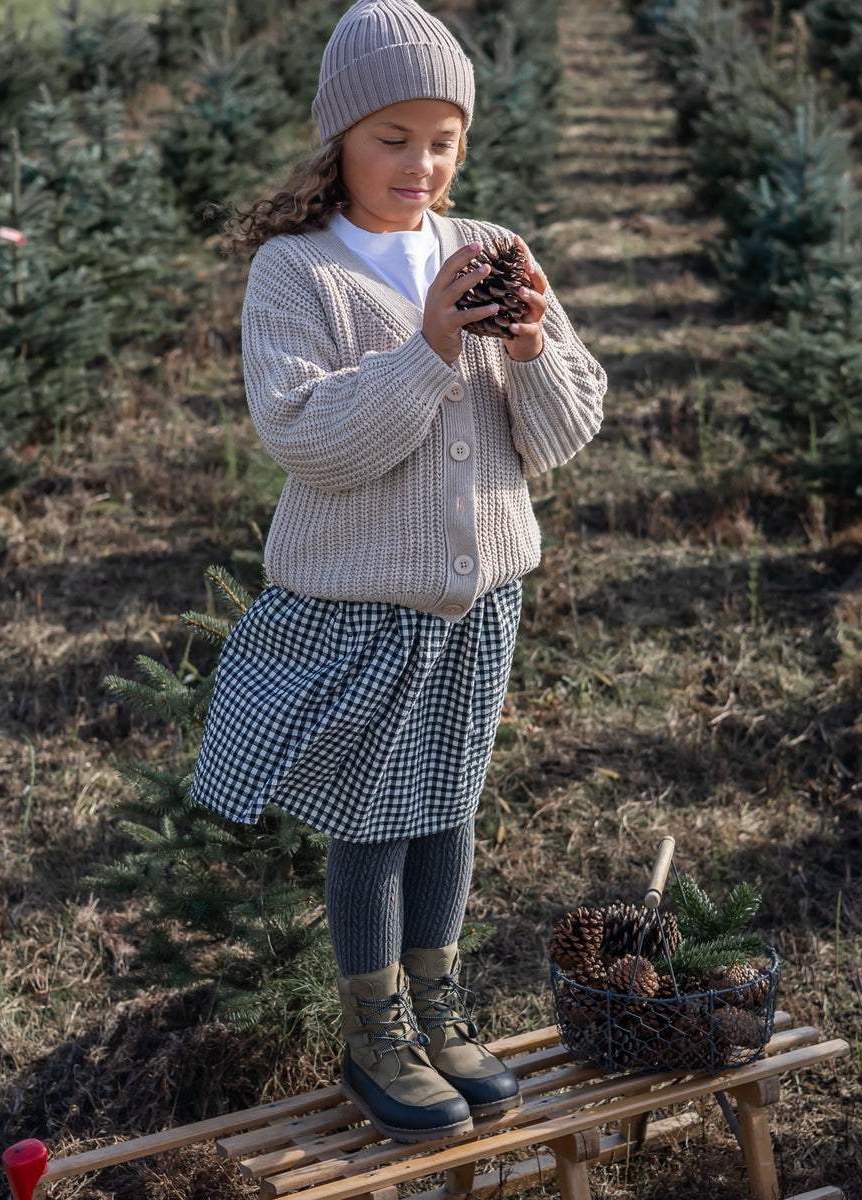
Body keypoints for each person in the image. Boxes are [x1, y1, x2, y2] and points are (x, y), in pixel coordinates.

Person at [192, 0, 607, 1144]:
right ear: (339, 137)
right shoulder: (298, 273)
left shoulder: (492, 246)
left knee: (451, 808)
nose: (421, 164)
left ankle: (441, 1007)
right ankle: (374, 1030)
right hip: (366, 598)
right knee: (376, 818)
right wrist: (429, 345)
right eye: (393, 138)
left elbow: (568, 429)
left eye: (443, 137)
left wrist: (527, 346)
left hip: (486, 596)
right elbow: (311, 441)